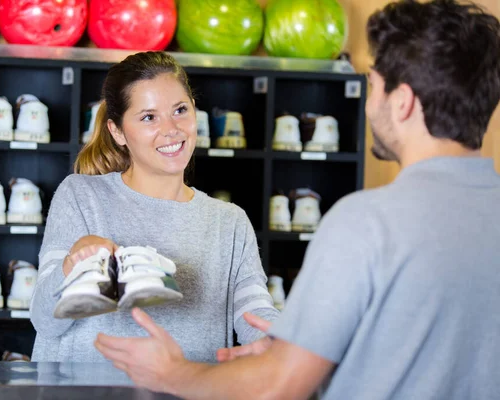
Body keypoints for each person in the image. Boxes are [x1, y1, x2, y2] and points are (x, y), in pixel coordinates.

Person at [94, 0, 500, 398]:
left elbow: (277, 388)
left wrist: (174, 373)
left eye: (373, 85)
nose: (370, 103)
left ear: (403, 101)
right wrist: (302, 348)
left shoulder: (367, 222)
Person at [29, 51, 279, 363]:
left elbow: (255, 313)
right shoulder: (81, 196)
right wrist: (73, 263)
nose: (172, 129)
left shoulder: (229, 221)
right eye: (149, 117)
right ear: (117, 131)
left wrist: (282, 343)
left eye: (180, 110)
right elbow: (44, 319)